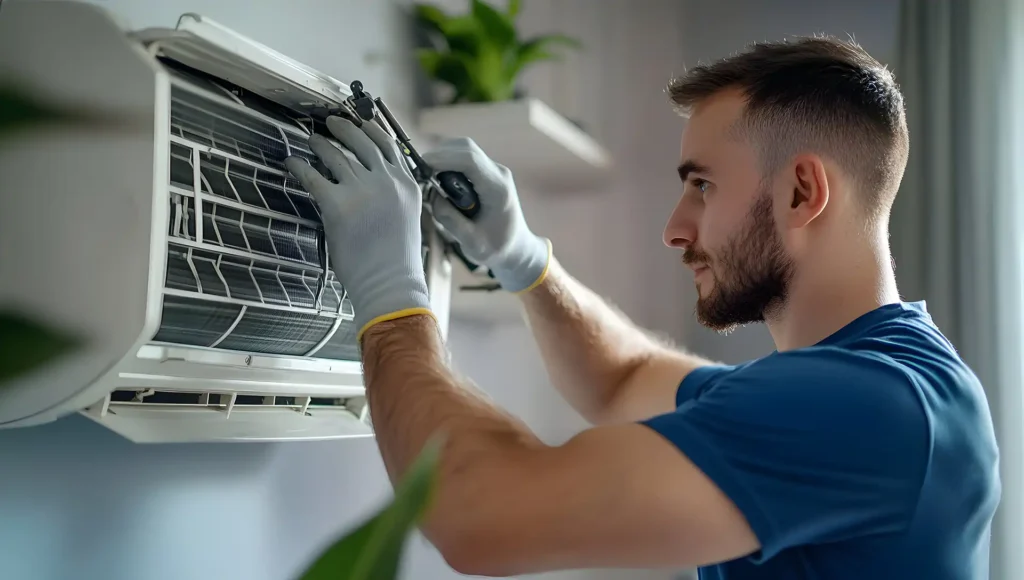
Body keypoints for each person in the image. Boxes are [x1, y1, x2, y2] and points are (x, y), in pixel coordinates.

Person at [285, 35, 1001, 580]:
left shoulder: (866, 406)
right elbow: (621, 380)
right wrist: (523, 259)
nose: (675, 229)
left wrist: (392, 299)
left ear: (801, 192)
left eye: (703, 186)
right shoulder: (890, 381)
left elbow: (480, 513)